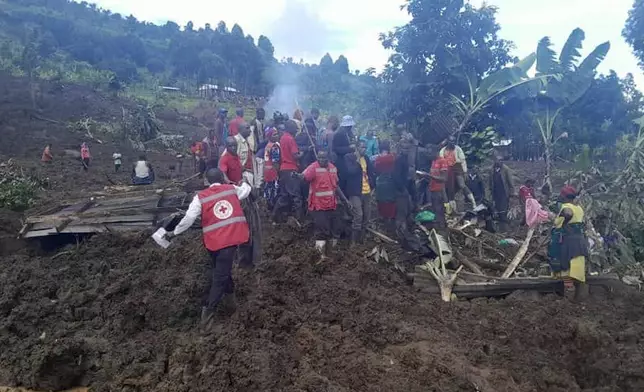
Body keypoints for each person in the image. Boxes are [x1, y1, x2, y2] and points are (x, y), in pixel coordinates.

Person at [164, 168, 251, 323]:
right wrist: (246, 182)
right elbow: (245, 191)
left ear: (206, 181)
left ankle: (231, 304)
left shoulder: (200, 197)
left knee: (221, 272)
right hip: (230, 240)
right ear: (223, 178)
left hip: (213, 243)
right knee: (220, 276)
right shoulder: (231, 189)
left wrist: (174, 233)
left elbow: (188, 218)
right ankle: (208, 314)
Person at [548, 185, 588, 296]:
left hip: (568, 241)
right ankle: (580, 294)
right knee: (576, 266)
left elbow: (568, 214)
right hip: (579, 240)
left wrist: (564, 223)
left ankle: (569, 297)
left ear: (564, 196)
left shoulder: (565, 206)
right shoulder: (579, 208)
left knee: (566, 267)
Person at [300, 150, 340, 258]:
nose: (321, 160)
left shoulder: (332, 168)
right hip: (318, 205)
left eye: (324, 158)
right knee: (321, 230)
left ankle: (331, 253)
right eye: (319, 158)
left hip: (331, 204)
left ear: (328, 158)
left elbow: (336, 185)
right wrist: (298, 176)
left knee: (333, 229)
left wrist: (342, 200)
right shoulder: (313, 167)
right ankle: (319, 255)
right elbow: (303, 177)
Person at [345, 140, 375, 243]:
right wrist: (357, 160)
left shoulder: (366, 158)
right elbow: (351, 171)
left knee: (367, 216)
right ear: (357, 148)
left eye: (365, 147)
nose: (364, 149)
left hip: (367, 191)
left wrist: (372, 186)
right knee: (358, 215)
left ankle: (361, 240)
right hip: (355, 192)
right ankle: (353, 242)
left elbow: (371, 172)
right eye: (362, 147)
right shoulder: (349, 157)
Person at [272, 120, 302, 223]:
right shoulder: (290, 139)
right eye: (295, 128)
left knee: (284, 195)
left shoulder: (283, 137)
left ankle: (275, 217)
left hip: (284, 169)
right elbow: (295, 155)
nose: (296, 130)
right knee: (296, 196)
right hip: (291, 169)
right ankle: (299, 220)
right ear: (291, 128)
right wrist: (304, 152)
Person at [440, 136, 477, 210]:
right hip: (448, 170)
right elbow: (441, 161)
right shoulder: (443, 150)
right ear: (448, 142)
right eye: (451, 141)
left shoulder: (458, 149)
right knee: (450, 188)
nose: (452, 143)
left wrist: (465, 171)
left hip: (457, 168)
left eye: (454, 141)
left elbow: (463, 161)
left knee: (462, 185)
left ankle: (473, 202)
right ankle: (453, 209)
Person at [374, 141, 397, 226]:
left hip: (380, 182)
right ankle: (390, 220)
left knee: (381, 201)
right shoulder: (392, 157)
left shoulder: (377, 159)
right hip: (390, 182)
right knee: (390, 200)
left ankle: (383, 219)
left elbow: (376, 170)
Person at [489, 155, 515, 232]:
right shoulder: (492, 169)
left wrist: (511, 193)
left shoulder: (506, 169)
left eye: (501, 160)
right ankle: (498, 226)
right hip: (495, 192)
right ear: (495, 161)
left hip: (504, 192)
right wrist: (490, 191)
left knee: (503, 209)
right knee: (496, 208)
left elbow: (510, 182)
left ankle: (505, 227)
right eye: (498, 160)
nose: (500, 162)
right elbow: (490, 181)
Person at [332, 115, 356, 194]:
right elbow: (336, 148)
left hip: (348, 161)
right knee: (342, 181)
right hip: (341, 161)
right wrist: (349, 148)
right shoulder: (339, 134)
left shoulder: (348, 133)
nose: (350, 127)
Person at [425, 148, 449, 228]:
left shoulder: (442, 161)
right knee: (435, 209)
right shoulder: (433, 161)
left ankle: (442, 228)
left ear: (435, 152)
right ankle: (438, 226)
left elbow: (444, 178)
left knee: (439, 210)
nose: (428, 155)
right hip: (432, 189)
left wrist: (430, 176)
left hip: (439, 190)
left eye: (430, 153)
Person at [263, 130, 281, 210]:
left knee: (268, 190)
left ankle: (268, 208)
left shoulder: (268, 145)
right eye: (274, 134)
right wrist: (278, 173)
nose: (277, 135)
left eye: (277, 134)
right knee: (274, 191)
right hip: (273, 171)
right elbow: (275, 161)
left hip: (267, 171)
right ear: (270, 137)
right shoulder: (274, 146)